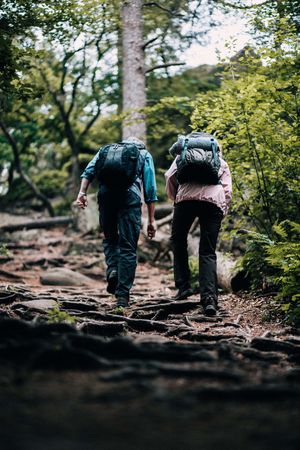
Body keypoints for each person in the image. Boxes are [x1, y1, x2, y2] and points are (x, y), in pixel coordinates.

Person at [76, 137, 158, 308]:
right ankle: (122, 296)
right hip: (130, 199)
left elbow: (89, 171)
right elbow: (150, 188)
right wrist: (151, 220)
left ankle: (113, 269)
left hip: (105, 196)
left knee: (110, 239)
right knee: (128, 246)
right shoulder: (144, 154)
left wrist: (82, 193)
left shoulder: (106, 150)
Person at [165, 131, 232, 316]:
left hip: (185, 200)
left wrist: (176, 198)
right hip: (213, 204)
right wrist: (222, 209)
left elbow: (170, 176)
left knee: (178, 240)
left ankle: (183, 287)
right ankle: (209, 300)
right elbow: (227, 188)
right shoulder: (218, 158)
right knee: (207, 251)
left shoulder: (183, 155)